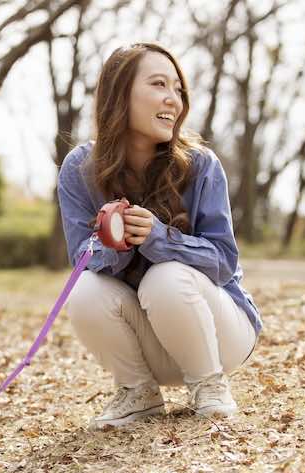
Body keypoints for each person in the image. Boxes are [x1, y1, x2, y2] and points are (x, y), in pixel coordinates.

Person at [58, 43, 262, 428]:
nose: (174, 99)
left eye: (178, 89)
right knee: (82, 289)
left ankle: (209, 384)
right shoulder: (78, 169)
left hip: (219, 334)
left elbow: (223, 261)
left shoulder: (201, 165)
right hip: (147, 339)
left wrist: (158, 238)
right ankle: (138, 393)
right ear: (119, 94)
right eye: (158, 84)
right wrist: (115, 239)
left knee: (164, 276)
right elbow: (81, 258)